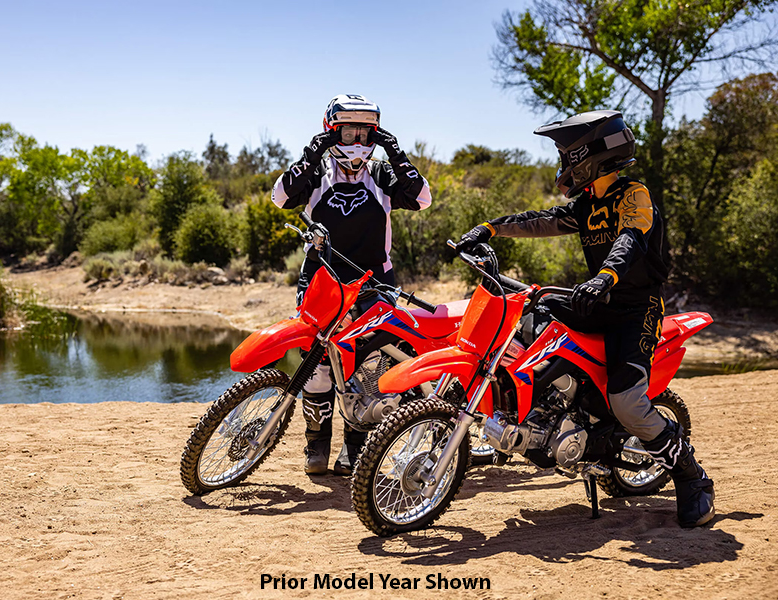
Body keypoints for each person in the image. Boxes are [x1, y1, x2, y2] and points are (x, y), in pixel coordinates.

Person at [455, 110, 714, 528]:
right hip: (597, 301)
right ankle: (547, 415)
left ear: (590, 155)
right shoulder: (589, 203)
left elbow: (630, 239)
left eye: (567, 154)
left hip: (636, 311)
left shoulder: (634, 194)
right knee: (532, 313)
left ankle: (693, 478)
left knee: (628, 403)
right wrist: (489, 229)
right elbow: (541, 220)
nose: (563, 163)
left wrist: (605, 277)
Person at [272, 94, 432, 476]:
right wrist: (311, 154)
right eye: (348, 130)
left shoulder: (380, 173)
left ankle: (355, 448)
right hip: (322, 277)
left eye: (365, 130)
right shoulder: (318, 173)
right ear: (331, 130)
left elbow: (422, 198)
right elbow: (280, 197)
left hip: (375, 280)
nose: (357, 139)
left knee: (369, 365)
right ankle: (317, 443)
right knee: (317, 362)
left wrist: (396, 154)